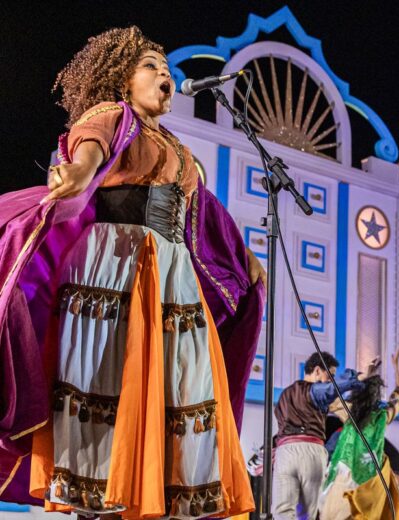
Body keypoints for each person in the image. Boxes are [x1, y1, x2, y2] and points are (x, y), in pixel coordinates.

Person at [0, 27, 266, 517]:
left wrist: (243, 256)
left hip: (171, 270)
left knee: (179, 384)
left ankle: (159, 494)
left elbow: (202, 216)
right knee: (109, 376)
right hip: (116, 262)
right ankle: (96, 498)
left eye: (168, 69)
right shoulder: (111, 116)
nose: (165, 75)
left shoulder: (180, 150)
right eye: (151, 67)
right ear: (123, 79)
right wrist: (76, 174)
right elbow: (88, 151)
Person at [320, 348, 399, 519]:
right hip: (364, 473)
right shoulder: (379, 414)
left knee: (339, 512)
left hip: (350, 469)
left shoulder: (353, 410)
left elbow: (332, 402)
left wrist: (365, 375)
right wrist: (394, 369)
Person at [273, 351, 370, 520]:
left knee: (282, 511)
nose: (331, 379)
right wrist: (360, 377)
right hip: (310, 451)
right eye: (330, 375)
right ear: (317, 371)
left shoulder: (284, 395)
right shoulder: (314, 391)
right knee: (306, 514)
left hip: (284, 452)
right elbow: (332, 388)